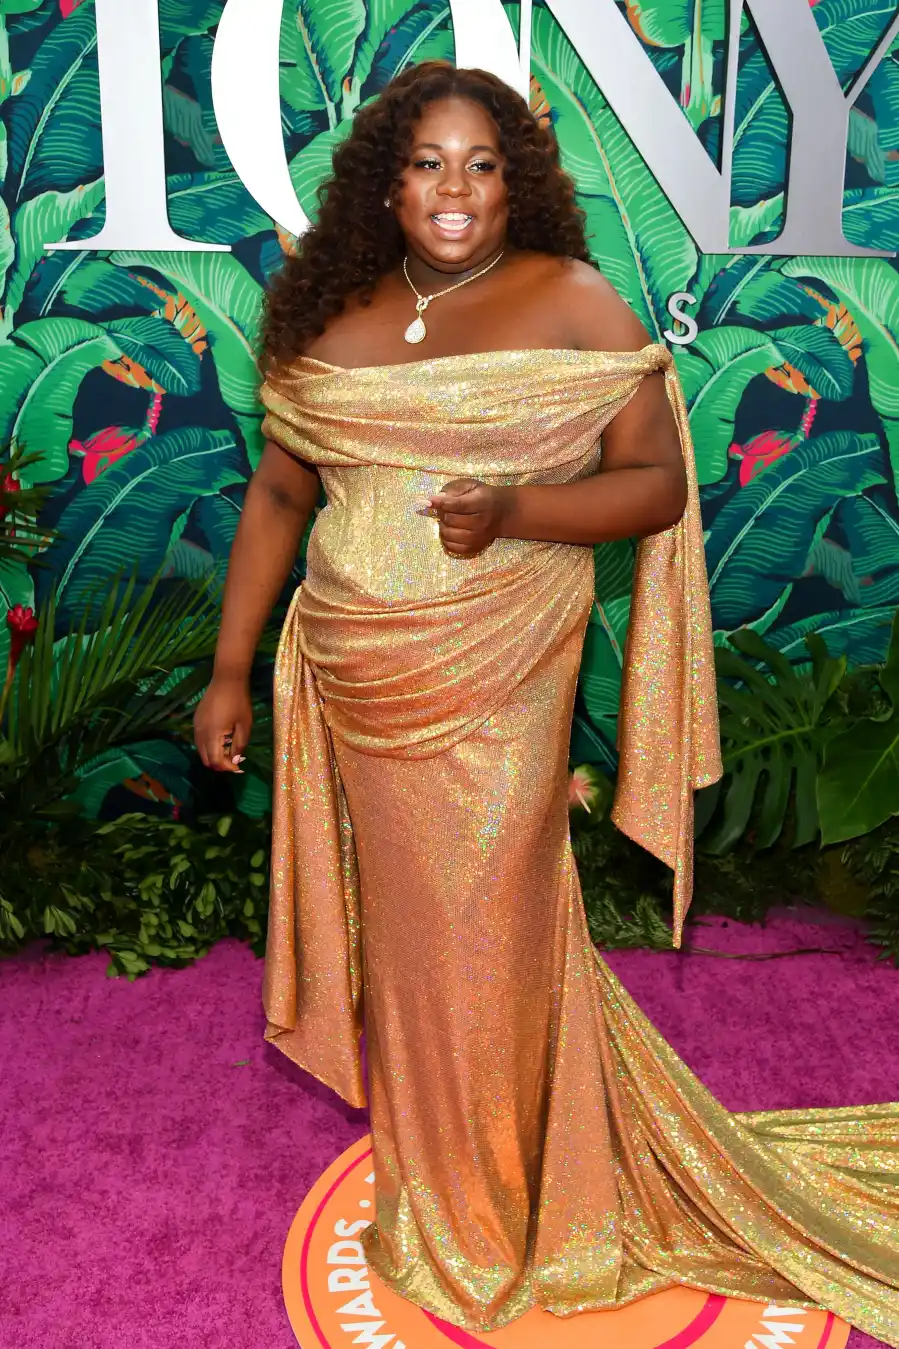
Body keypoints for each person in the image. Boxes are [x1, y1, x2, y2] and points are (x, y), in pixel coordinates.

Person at [194, 60, 899, 1344]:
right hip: (355, 671)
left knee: (486, 917)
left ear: (514, 177)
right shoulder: (326, 307)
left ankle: (507, 1205)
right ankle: (448, 1177)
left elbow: (651, 488)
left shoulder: (570, 300)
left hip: (500, 670)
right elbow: (283, 497)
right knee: (409, 937)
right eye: (426, 164)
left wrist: (516, 510)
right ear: (383, 182)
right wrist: (234, 665)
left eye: (480, 163)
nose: (454, 189)